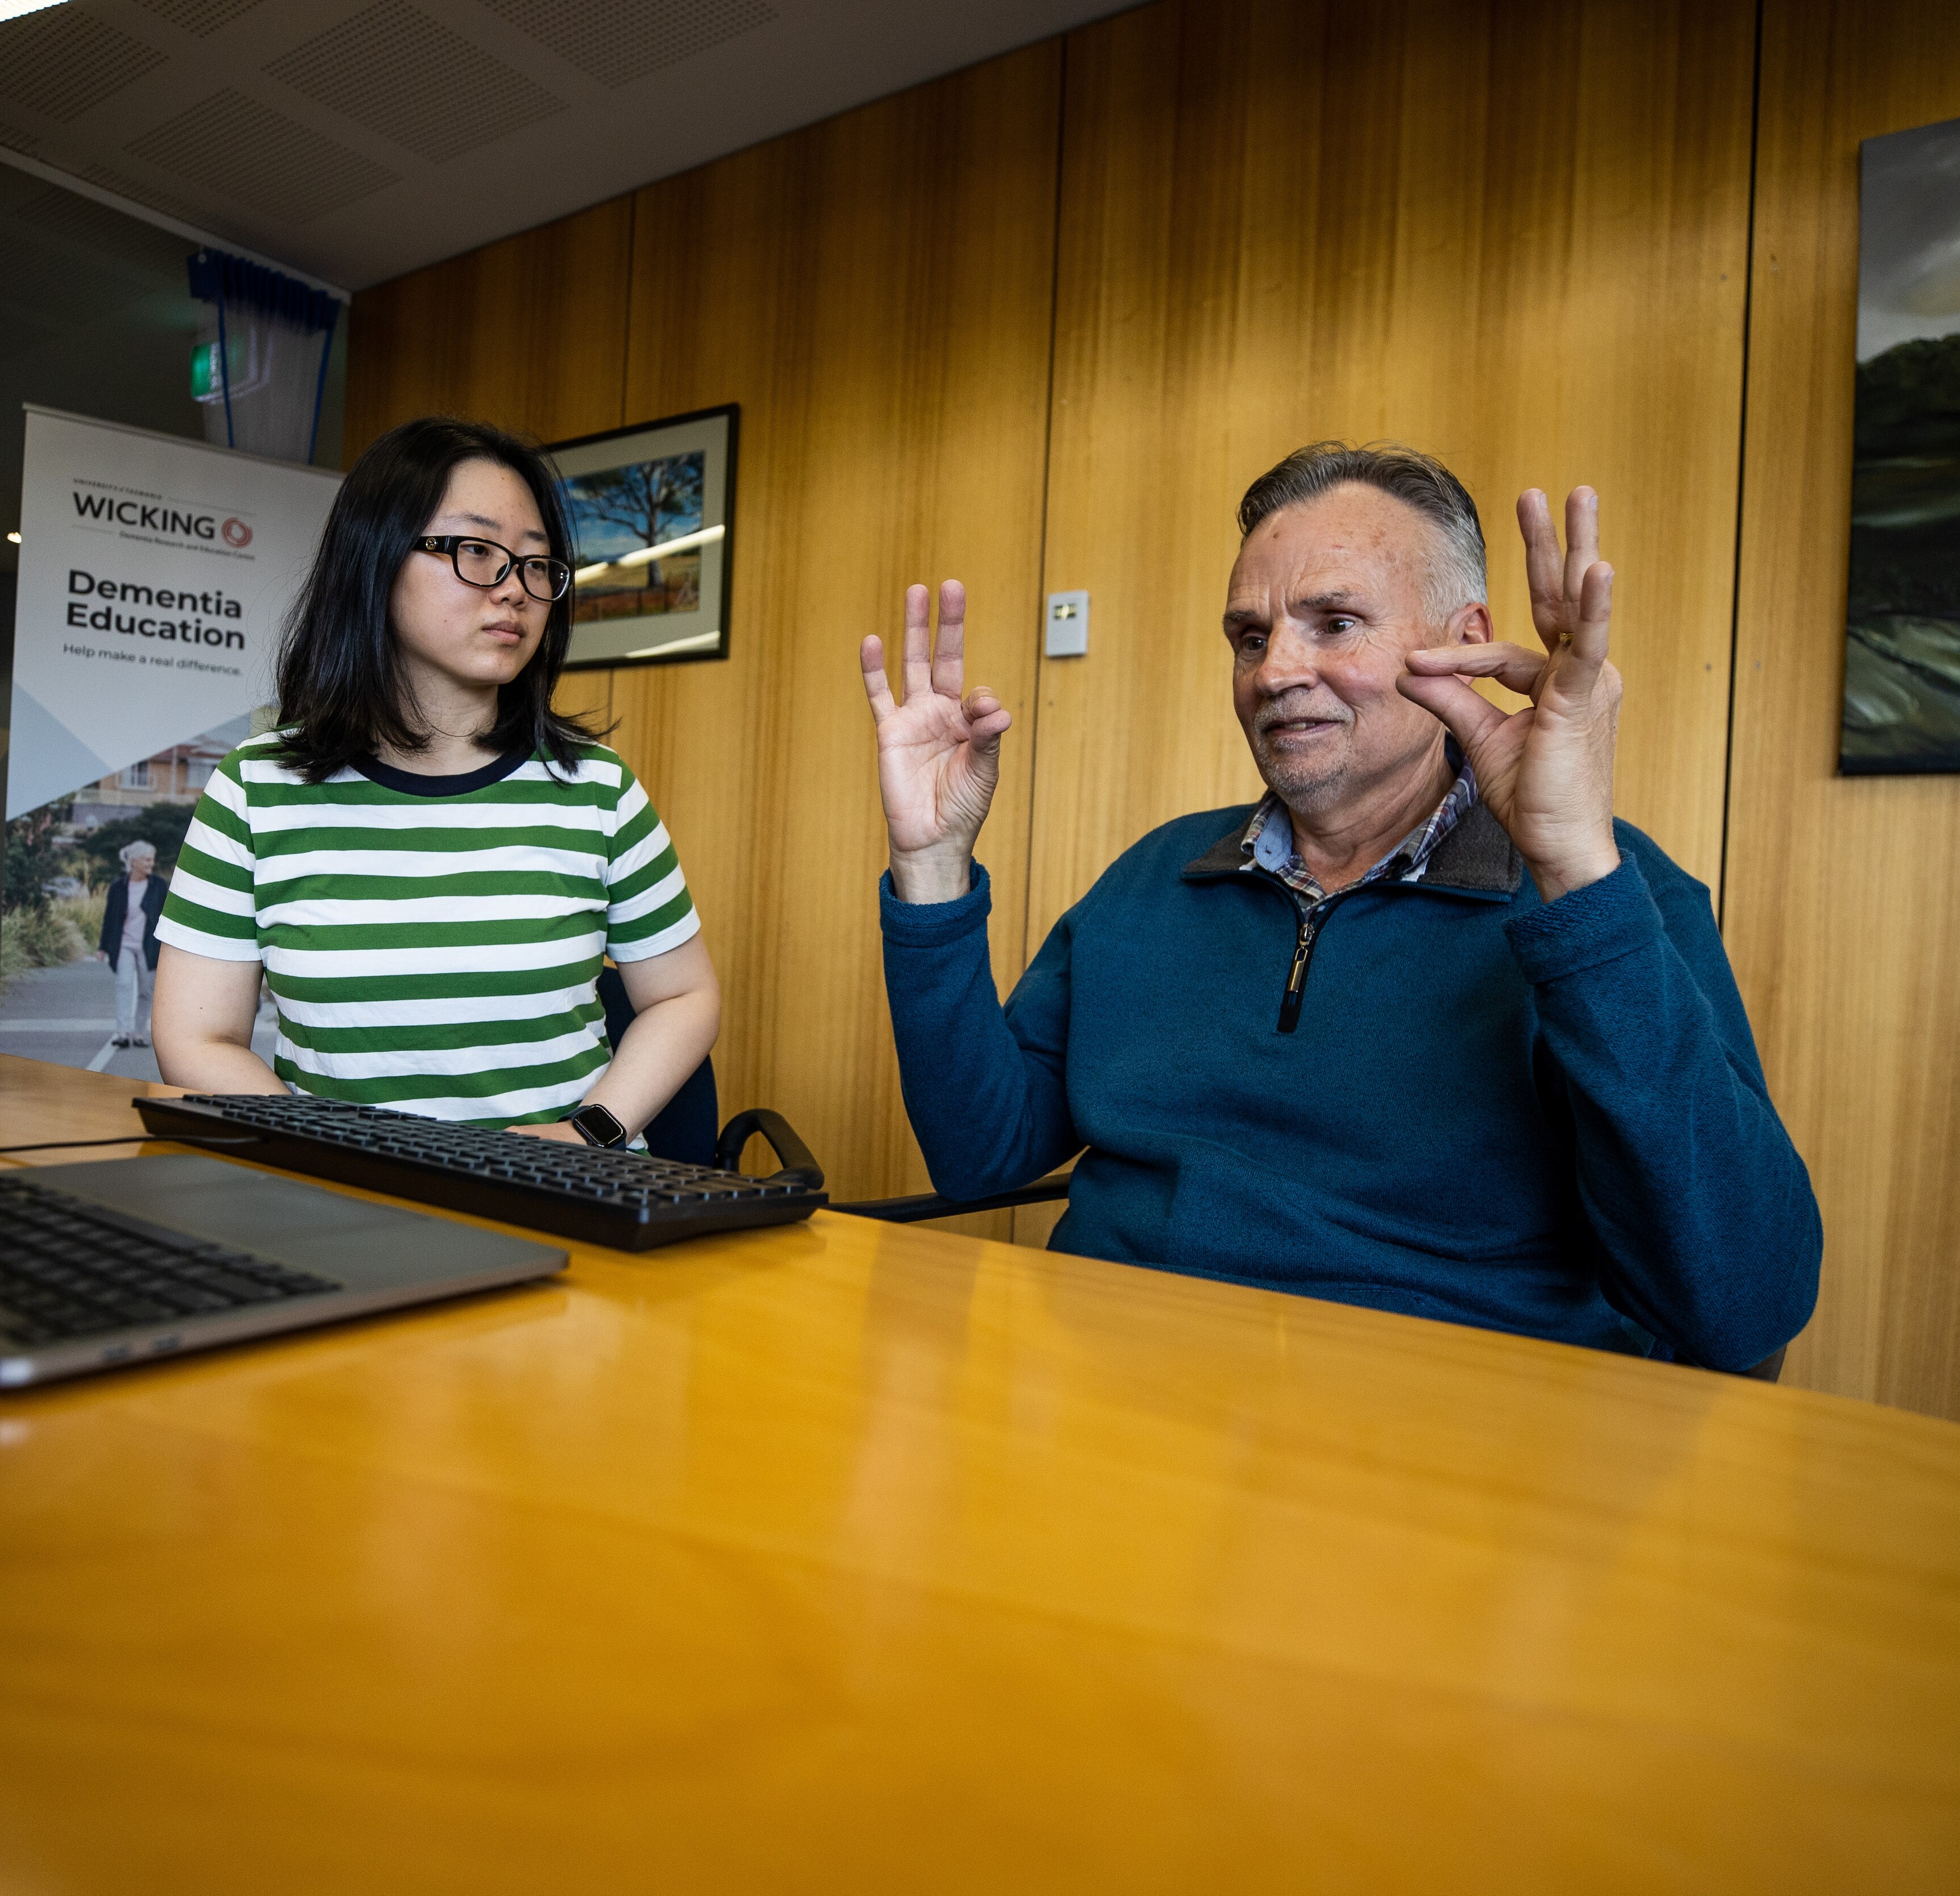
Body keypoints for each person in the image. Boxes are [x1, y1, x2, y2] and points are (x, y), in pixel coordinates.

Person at [860, 441, 1818, 1372]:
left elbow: (1742, 1306)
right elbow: (981, 1154)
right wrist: (932, 868)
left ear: (1465, 647)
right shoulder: (1157, 876)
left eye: (1335, 621)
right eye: (1251, 636)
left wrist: (1573, 868)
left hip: (1440, 1466)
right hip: (1116, 1413)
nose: (1275, 671)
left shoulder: (1611, 896)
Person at [150, 416, 720, 1150]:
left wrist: (587, 1134)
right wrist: (332, 1153)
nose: (515, 590)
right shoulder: (255, 790)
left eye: (537, 565)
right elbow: (197, 1038)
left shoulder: (598, 790)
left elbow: (683, 994)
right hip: (343, 1206)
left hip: (570, 1195)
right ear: (375, 560)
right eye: (476, 551)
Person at [100, 837, 166, 1048]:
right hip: (124, 945)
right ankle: (122, 1032)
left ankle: (138, 1033)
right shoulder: (118, 887)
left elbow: (167, 915)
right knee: (124, 985)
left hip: (149, 946)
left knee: (146, 991)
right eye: (146, 860)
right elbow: (109, 918)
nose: (150, 864)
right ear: (135, 862)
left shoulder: (159, 886)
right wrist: (102, 946)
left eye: (152, 860)